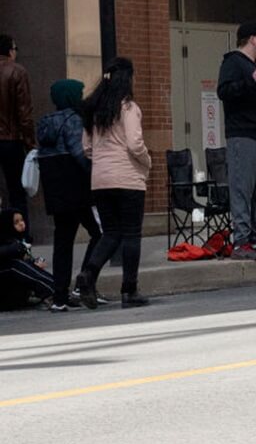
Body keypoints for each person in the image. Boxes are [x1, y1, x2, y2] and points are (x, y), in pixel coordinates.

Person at [75, 58, 151, 308]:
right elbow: (134, 144)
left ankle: (88, 274)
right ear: (126, 80)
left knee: (110, 233)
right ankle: (129, 290)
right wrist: (146, 161)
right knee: (131, 234)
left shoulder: (93, 110)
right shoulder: (128, 108)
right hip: (128, 178)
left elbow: (87, 148)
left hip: (100, 180)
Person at [35, 79, 102, 311]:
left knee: (62, 243)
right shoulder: (73, 121)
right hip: (77, 190)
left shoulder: (45, 124)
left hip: (56, 193)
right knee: (100, 234)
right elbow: (81, 154)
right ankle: (85, 281)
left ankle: (60, 297)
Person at [218, 21, 256, 261]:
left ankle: (255, 237)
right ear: (251, 39)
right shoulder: (233, 62)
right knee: (242, 189)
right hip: (245, 135)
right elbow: (224, 92)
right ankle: (241, 241)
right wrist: (250, 81)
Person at [0, 34, 35, 236]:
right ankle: (22, 241)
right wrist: (31, 145)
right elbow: (25, 113)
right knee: (17, 193)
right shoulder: (17, 71)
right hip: (11, 141)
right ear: (10, 50)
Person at [0, 209, 53, 311]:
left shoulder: (19, 239)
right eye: (16, 222)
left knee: (24, 265)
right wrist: (15, 248)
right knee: (15, 265)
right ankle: (52, 292)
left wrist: (34, 262)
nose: (21, 224)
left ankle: (59, 290)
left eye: (22, 220)